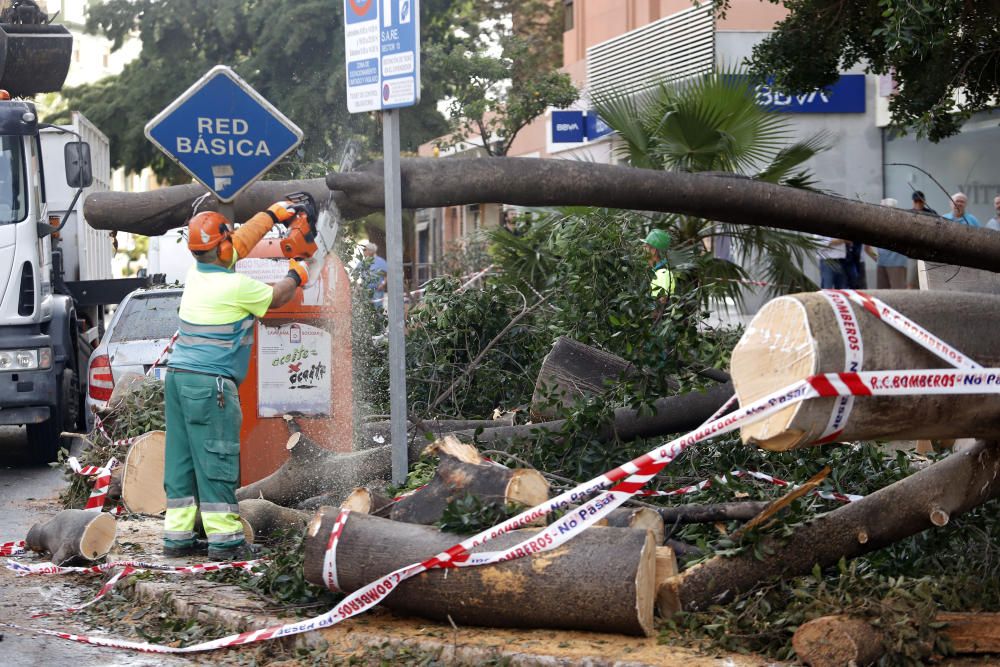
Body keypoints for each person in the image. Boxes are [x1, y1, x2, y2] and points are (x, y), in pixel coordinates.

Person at [163, 201, 308, 560]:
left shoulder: (198, 272)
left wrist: (273, 214)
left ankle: (177, 537)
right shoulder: (235, 287)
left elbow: (240, 241)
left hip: (178, 380)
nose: (235, 245)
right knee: (217, 460)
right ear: (221, 247)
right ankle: (226, 541)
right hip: (210, 386)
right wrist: (299, 271)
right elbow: (277, 297)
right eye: (229, 241)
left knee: (181, 462)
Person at [868, 197, 908, 288]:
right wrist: (878, 259)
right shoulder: (878, 223)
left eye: (883, 207)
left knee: (898, 293)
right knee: (883, 294)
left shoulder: (901, 222)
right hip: (882, 263)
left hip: (896, 264)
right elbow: (867, 247)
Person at [643, 229, 675, 304]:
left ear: (653, 250)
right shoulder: (652, 270)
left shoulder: (663, 273)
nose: (642, 248)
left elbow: (660, 306)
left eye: (645, 246)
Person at [362, 242, 388, 308]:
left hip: (377, 290)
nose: (363, 251)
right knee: (366, 310)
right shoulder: (363, 262)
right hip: (365, 291)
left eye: (365, 250)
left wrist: (382, 284)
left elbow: (387, 275)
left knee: (378, 309)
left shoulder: (381, 261)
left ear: (371, 251)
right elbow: (355, 274)